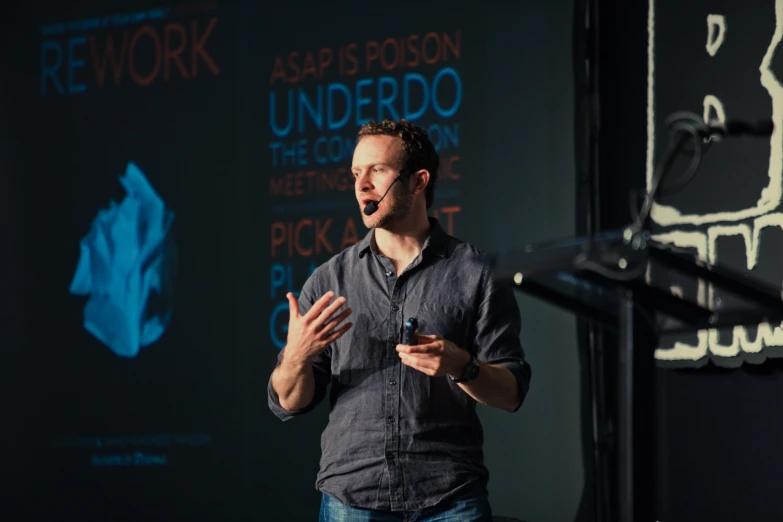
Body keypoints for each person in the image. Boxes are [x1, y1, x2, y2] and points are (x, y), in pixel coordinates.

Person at [268, 119, 531, 522]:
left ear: (418, 181)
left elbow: (511, 393)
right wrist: (296, 357)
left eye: (377, 170)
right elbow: (290, 401)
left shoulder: (475, 272)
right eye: (357, 173)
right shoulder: (328, 280)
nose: (362, 185)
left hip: (450, 497)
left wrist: (462, 365)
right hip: (350, 499)